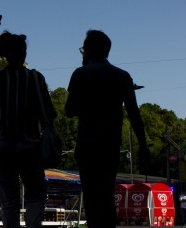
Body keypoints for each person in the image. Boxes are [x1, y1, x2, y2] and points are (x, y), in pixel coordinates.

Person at [64, 30, 150, 228]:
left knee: (92, 198)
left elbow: (69, 110)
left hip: (86, 144)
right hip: (110, 145)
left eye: (83, 49)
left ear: (89, 50)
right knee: (106, 195)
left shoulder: (80, 74)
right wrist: (143, 145)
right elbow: (134, 115)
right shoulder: (122, 76)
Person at [0, 32, 53, 228]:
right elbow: (47, 114)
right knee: (36, 194)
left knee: (8, 198)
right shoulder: (36, 79)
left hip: (2, 143)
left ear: (4, 54)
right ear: (24, 52)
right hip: (29, 144)